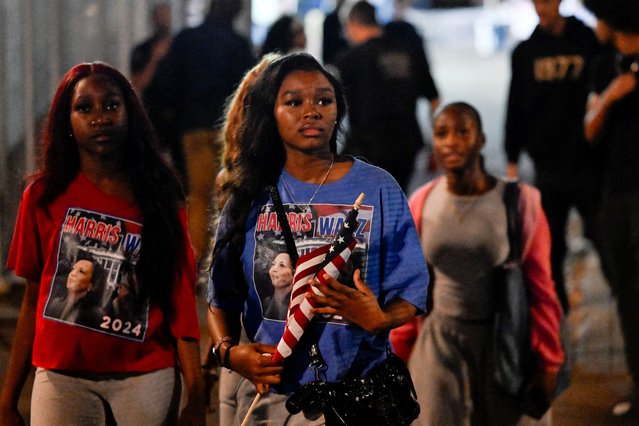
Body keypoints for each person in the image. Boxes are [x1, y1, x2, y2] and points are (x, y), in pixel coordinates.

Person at [207, 53, 428, 424]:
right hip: (273, 399)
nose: (311, 111)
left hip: (357, 397)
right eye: (293, 102)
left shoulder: (377, 187)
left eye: (323, 100)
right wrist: (229, 353)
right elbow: (220, 295)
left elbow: (413, 290)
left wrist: (379, 318)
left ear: (337, 110)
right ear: (270, 113)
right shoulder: (249, 196)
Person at [0, 62, 204, 425]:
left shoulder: (159, 193)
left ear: (130, 112)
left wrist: (196, 396)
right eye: (84, 107)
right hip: (62, 377)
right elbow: (33, 298)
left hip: (146, 374)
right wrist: (7, 400)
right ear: (66, 119)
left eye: (111, 105)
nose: (100, 117)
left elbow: (179, 296)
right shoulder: (43, 197)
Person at [390, 102, 564, 425]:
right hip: (439, 344)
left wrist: (548, 362)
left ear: (481, 139)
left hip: (500, 344)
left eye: (463, 132)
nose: (452, 141)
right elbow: (408, 289)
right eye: (442, 133)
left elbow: (540, 289)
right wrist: (399, 354)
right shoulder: (422, 202)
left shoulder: (519, 203)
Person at [504, 0, 602, 313]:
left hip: (589, 160)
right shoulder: (526, 52)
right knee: (551, 244)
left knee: (603, 234)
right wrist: (511, 155)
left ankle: (623, 293)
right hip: (548, 163)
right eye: (535, 2)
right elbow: (516, 104)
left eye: (545, 1)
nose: (540, 8)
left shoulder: (587, 40)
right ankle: (557, 310)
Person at [147, 0, 255, 265]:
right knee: (229, 194)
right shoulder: (239, 44)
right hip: (229, 129)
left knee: (197, 195)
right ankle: (224, 262)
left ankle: (195, 262)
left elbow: (166, 84)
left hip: (193, 128)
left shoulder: (186, 39)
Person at [582, 0, 639, 417]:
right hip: (618, 193)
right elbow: (589, 130)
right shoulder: (605, 67)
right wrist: (612, 96)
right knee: (627, 294)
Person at [336, 0, 440, 192]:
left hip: (368, 149)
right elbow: (434, 99)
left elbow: (330, 104)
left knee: (367, 209)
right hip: (407, 145)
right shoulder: (408, 53)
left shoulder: (350, 60)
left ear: (353, 24)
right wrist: (435, 145)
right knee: (397, 202)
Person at [44, 256, 105, 327]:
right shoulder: (55, 302)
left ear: (91, 285)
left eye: (81, 271)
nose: (72, 274)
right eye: (73, 269)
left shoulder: (96, 316)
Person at [263, 251, 294, 320]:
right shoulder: (266, 301)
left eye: (282, 265)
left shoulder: (298, 303)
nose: (274, 269)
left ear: (294, 272)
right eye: (273, 264)